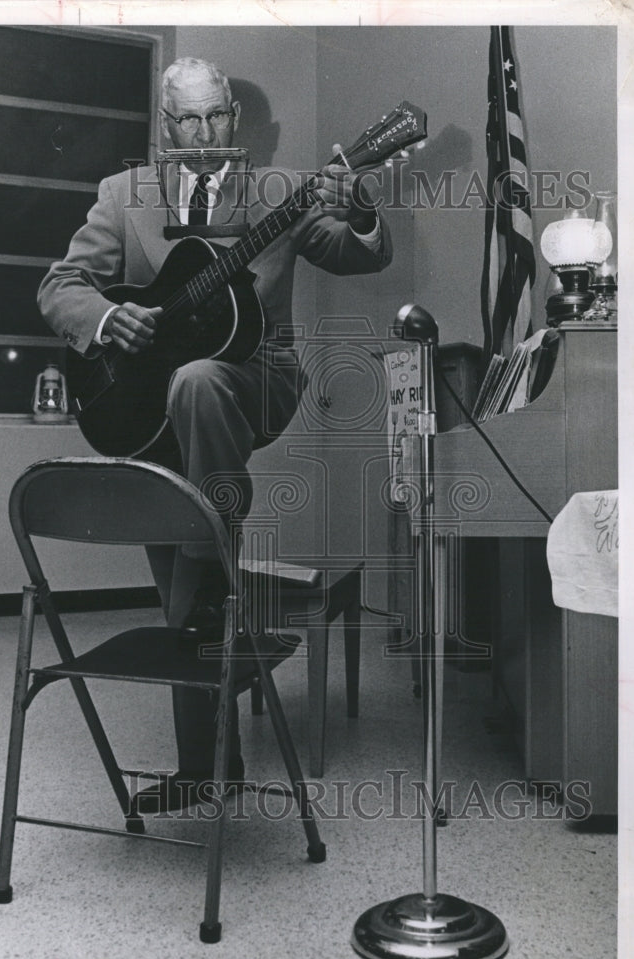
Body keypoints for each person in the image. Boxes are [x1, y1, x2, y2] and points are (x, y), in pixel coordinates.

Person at [38, 56, 393, 813]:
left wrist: (359, 207)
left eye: (217, 117)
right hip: (147, 405)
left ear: (234, 117)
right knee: (182, 584)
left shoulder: (280, 192)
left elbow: (355, 252)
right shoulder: (121, 196)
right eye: (187, 122)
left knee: (199, 379)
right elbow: (59, 287)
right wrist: (108, 318)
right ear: (167, 128)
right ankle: (208, 760)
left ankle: (205, 563)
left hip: (253, 376)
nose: (204, 134)